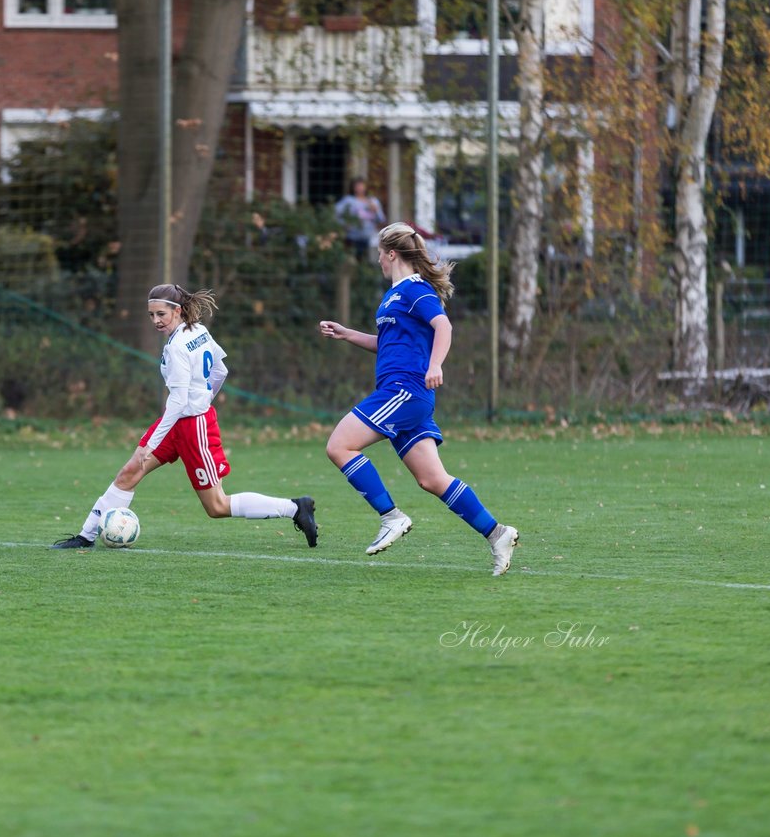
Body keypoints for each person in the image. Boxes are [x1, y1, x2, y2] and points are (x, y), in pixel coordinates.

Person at [318, 222, 519, 576]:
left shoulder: (416, 290)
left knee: (339, 446)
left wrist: (435, 365)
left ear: (391, 253)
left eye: (380, 254)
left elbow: (444, 326)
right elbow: (390, 345)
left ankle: (391, 517)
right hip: (406, 394)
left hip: (404, 391)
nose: (378, 260)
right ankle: (497, 533)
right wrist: (348, 334)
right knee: (432, 479)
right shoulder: (393, 296)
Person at [51, 283, 318, 550]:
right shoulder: (198, 331)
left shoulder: (178, 345)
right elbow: (220, 372)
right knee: (129, 471)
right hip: (176, 422)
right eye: (151, 315)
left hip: (193, 427)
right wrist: (203, 396)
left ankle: (294, 508)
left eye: (161, 315)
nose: (155, 321)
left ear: (177, 311)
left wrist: (155, 440)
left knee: (216, 505)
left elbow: (178, 401)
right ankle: (85, 536)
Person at [334, 177, 387, 260]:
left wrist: (376, 210)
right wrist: (343, 224)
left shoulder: (373, 201)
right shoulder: (348, 201)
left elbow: (381, 219)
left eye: (361, 186)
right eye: (357, 186)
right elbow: (334, 213)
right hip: (352, 237)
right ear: (353, 188)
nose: (360, 188)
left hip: (369, 237)